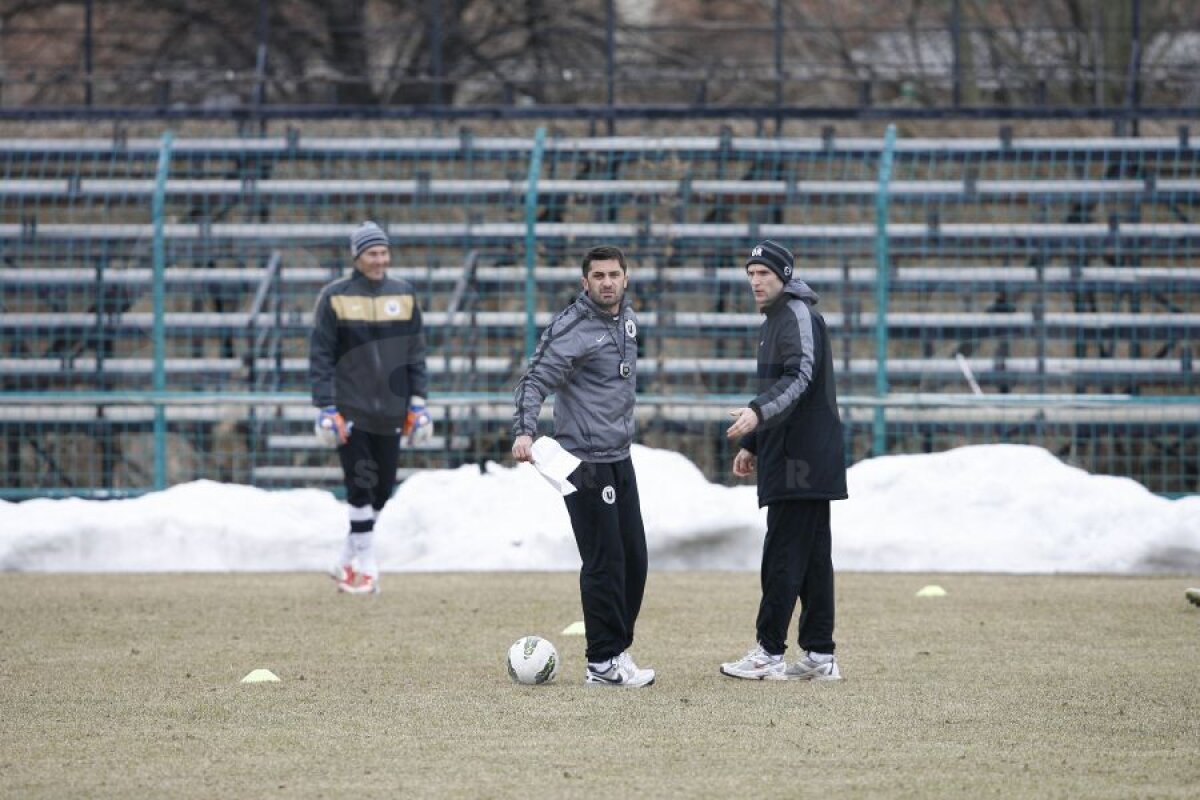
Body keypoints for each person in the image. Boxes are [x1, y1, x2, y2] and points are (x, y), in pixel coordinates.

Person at [512, 244, 655, 688]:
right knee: (604, 560)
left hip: (619, 455)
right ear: (585, 282)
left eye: (614, 274)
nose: (607, 282)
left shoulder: (628, 320)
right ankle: (601, 662)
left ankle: (615, 650)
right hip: (582, 461)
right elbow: (535, 379)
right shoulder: (570, 327)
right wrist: (524, 430)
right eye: (599, 276)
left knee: (634, 560)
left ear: (626, 279)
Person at [719, 240, 848, 681]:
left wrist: (755, 414)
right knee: (811, 557)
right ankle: (819, 654)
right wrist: (754, 444)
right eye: (751, 274)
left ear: (785, 277)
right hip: (796, 453)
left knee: (783, 553)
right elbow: (786, 386)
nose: (755, 282)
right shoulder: (776, 318)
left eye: (764, 274)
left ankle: (768, 652)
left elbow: (800, 377)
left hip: (802, 458)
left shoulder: (796, 314)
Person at [310, 221, 432, 595]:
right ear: (357, 257)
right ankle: (368, 569)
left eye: (383, 252)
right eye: (372, 253)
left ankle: (345, 557)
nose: (379, 260)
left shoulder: (405, 294)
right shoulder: (334, 296)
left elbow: (416, 352)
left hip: (392, 411)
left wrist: (419, 401)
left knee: (381, 491)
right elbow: (321, 355)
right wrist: (326, 406)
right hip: (351, 409)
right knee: (360, 485)